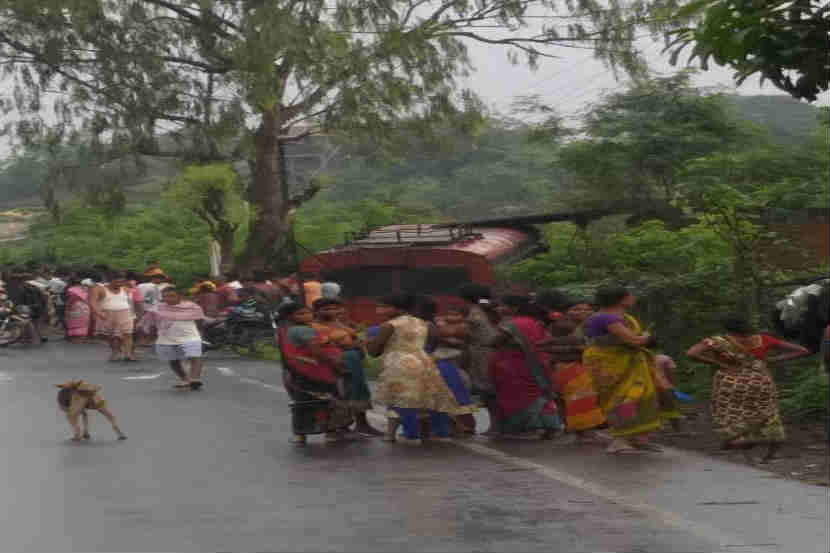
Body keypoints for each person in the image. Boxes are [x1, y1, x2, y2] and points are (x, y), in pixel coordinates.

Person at [686, 317, 810, 463]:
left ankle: (739, 443)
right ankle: (770, 454)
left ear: (728, 329)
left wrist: (716, 362)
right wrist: (776, 360)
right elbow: (803, 350)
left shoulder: (717, 341)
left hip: (731, 383)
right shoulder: (763, 339)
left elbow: (691, 354)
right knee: (768, 413)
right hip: (761, 383)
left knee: (732, 414)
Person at [367, 293, 459, 445]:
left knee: (400, 399)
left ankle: (410, 434)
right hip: (423, 361)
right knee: (427, 397)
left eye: (383, 307)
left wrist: (368, 341)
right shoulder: (426, 324)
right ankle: (438, 431)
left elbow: (374, 351)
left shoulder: (389, 325)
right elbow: (434, 342)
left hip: (397, 363)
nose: (379, 310)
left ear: (399, 308)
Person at [582, 286, 662, 455]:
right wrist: (647, 337)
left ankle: (638, 437)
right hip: (612, 365)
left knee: (642, 396)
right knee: (624, 399)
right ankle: (620, 440)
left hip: (627, 362)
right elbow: (634, 341)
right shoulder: (607, 318)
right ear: (621, 299)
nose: (633, 298)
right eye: (630, 295)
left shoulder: (620, 317)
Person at [278, 302, 353, 445]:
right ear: (289, 317)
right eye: (301, 313)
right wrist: (335, 363)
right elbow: (316, 351)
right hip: (317, 372)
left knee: (301, 403)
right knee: (328, 401)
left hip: (297, 372)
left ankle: (300, 435)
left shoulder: (285, 330)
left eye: (308, 312)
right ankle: (331, 434)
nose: (307, 315)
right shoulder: (304, 331)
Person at [489, 296, 563, 439]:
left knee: (521, 397)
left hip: (515, 367)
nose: (499, 309)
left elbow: (493, 342)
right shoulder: (535, 322)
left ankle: (533, 429)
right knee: (540, 395)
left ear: (514, 308)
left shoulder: (512, 324)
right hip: (537, 365)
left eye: (502, 306)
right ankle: (552, 427)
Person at [311, 298, 382, 436]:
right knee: (340, 394)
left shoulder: (341, 324)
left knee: (359, 390)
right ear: (316, 311)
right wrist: (346, 346)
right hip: (334, 364)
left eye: (335, 308)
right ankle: (340, 427)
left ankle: (362, 425)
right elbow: (320, 348)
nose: (332, 311)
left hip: (353, 362)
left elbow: (355, 339)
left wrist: (357, 344)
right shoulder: (313, 327)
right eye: (326, 309)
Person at [541, 298, 607, 444]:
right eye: (576, 309)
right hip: (568, 366)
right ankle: (585, 433)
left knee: (580, 400)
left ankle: (583, 432)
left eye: (587, 309)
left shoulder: (588, 326)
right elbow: (548, 348)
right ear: (567, 312)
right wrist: (579, 350)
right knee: (580, 400)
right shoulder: (562, 326)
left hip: (580, 366)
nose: (583, 312)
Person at [428, 301, 478, 437]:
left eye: (456, 315)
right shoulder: (441, 324)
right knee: (446, 396)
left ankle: (464, 426)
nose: (451, 317)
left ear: (464, 316)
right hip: (442, 364)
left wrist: (440, 328)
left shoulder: (464, 326)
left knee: (458, 395)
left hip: (454, 365)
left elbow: (453, 338)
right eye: (449, 314)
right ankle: (452, 426)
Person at [459, 283, 502, 435]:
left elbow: (466, 334)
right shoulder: (488, 311)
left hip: (482, 353)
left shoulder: (474, 313)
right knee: (493, 389)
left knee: (487, 390)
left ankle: (496, 424)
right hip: (493, 352)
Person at [156, 287, 206, 390]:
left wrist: (200, 333)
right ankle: (184, 378)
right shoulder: (159, 308)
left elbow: (200, 320)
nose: (168, 299)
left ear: (180, 296)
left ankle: (194, 379)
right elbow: (151, 320)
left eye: (171, 296)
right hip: (167, 338)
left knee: (195, 356)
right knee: (173, 360)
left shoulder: (193, 307)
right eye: (165, 296)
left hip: (190, 336)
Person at [91, 272, 137, 362]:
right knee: (112, 336)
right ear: (110, 281)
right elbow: (93, 302)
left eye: (121, 282)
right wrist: (98, 313)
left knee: (128, 334)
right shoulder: (100, 289)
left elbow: (130, 302)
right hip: (108, 313)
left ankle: (128, 354)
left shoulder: (126, 289)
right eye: (117, 282)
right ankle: (115, 352)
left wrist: (133, 315)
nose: (119, 284)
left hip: (125, 312)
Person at [64, 277, 92, 343]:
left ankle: (75, 339)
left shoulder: (71, 290)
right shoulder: (85, 289)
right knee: (83, 323)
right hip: (85, 307)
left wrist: (67, 307)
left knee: (73, 322)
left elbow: (71, 300)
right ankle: (83, 338)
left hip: (75, 307)